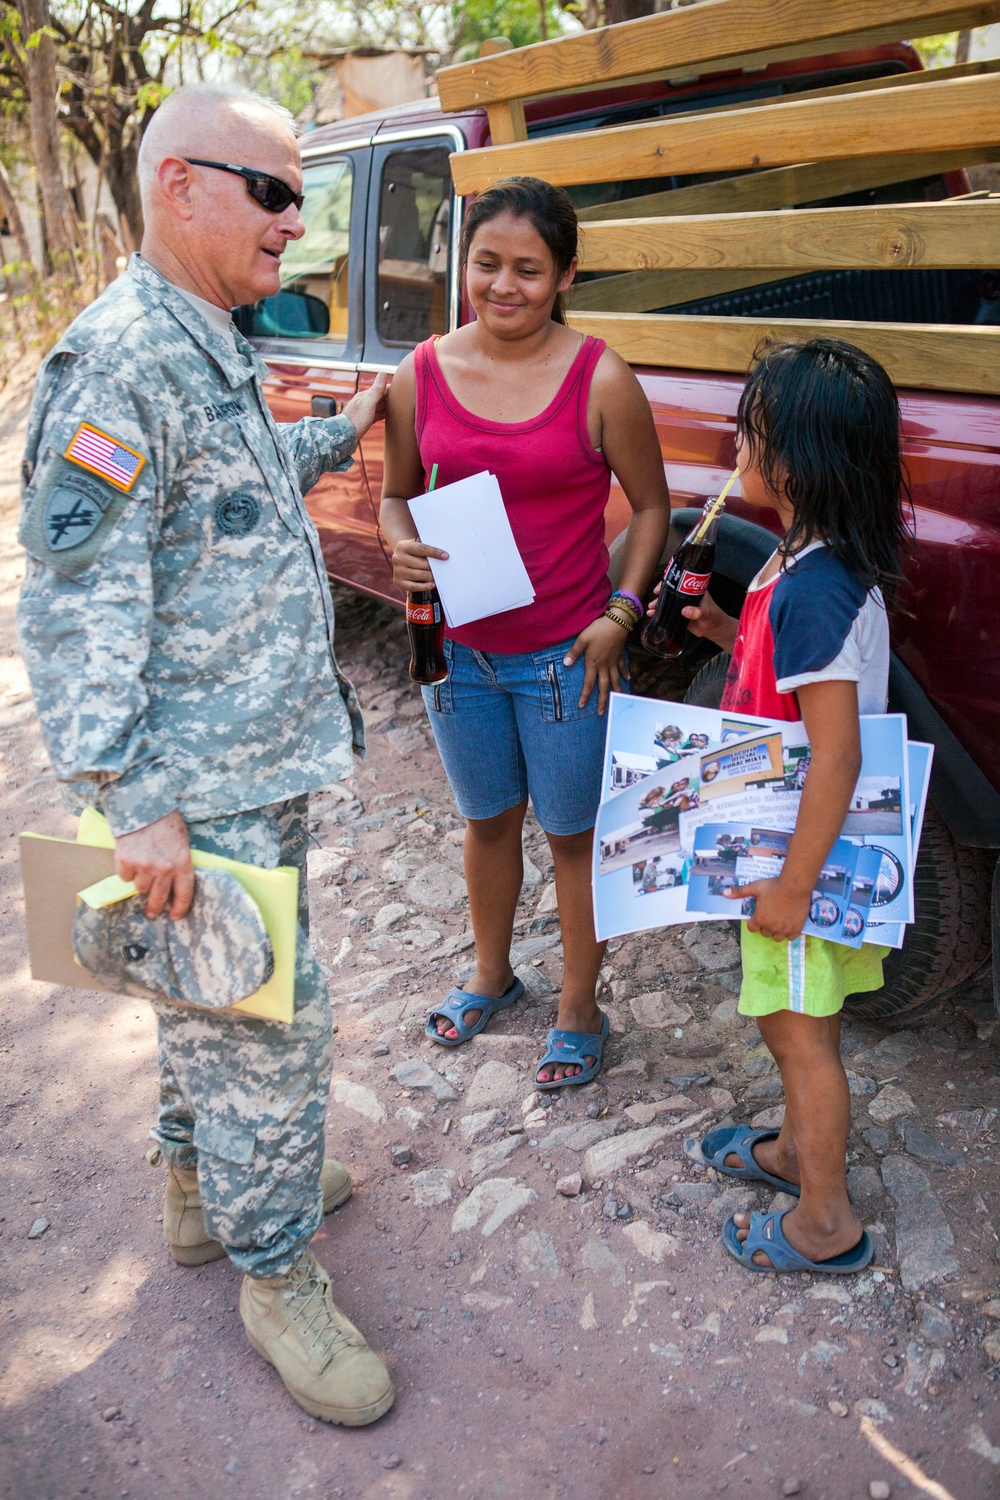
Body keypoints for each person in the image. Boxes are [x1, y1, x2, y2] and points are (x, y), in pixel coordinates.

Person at [16, 83, 395, 1424]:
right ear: (180, 185)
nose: (297, 224)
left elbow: (219, 501)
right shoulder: (117, 362)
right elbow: (75, 601)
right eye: (275, 192)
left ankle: (205, 1190)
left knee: (211, 1004)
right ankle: (277, 1269)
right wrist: (135, 804)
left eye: (301, 197)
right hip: (196, 788)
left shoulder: (206, 342)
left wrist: (343, 433)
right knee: (271, 1025)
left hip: (259, 756)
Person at [380, 177, 671, 1088]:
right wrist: (398, 547)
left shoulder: (600, 377)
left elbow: (654, 508)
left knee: (573, 835)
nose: (504, 287)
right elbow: (394, 494)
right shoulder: (419, 372)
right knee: (486, 820)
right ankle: (492, 974)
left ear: (566, 275)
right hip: (455, 654)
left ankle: (581, 1005)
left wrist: (619, 617)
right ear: (464, 264)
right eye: (486, 265)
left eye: (529, 271)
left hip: (564, 659)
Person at [678, 338, 910, 1274]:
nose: (739, 449)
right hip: (779, 841)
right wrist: (735, 633)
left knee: (802, 1037)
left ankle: (825, 1222)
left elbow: (839, 753)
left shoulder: (816, 589)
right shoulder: (804, 562)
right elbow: (810, 697)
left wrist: (792, 887)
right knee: (791, 1024)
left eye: (753, 433)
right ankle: (790, 1155)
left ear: (798, 459)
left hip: (802, 863)